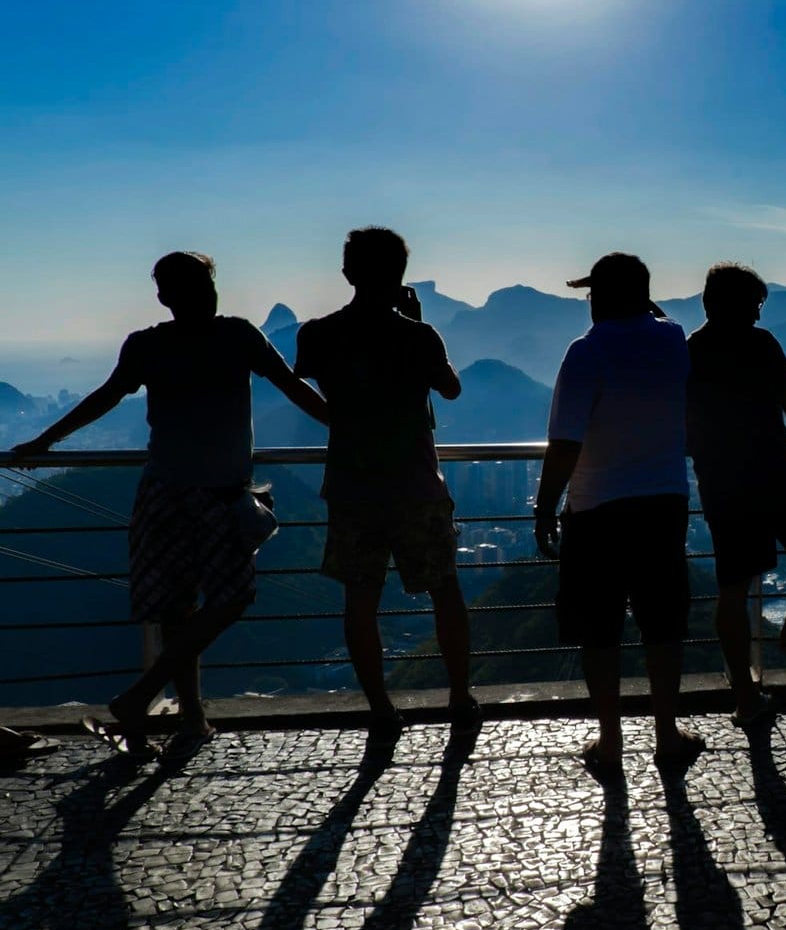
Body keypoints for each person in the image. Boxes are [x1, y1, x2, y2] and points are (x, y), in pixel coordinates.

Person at [9, 252, 329, 758]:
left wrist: (45, 441)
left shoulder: (151, 345)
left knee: (179, 609)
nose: (204, 292)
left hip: (165, 492)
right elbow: (294, 388)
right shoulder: (236, 335)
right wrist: (354, 427)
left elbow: (105, 397)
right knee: (226, 600)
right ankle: (172, 710)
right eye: (199, 284)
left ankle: (172, 710)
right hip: (218, 494)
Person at [295, 227, 477, 739]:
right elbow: (452, 388)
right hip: (417, 484)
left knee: (360, 598)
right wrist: (418, 326)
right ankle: (460, 698)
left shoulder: (318, 334)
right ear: (400, 274)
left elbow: (298, 382)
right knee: (444, 590)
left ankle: (380, 709)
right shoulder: (417, 337)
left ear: (349, 271)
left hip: (353, 485)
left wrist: (337, 419)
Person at [533, 252, 704, 778]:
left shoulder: (586, 352)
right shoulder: (674, 340)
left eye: (592, 294)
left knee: (599, 630)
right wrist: (637, 301)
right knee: (663, 625)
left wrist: (544, 509)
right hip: (664, 504)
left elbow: (564, 442)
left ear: (602, 298)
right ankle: (666, 735)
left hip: (597, 508)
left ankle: (610, 743)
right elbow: (658, 317)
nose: (588, 303)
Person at [686, 262, 786, 727]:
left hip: (720, 483)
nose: (758, 315)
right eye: (755, 305)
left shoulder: (689, 350)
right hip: (774, 474)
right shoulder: (759, 343)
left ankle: (745, 697)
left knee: (733, 590)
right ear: (738, 304)